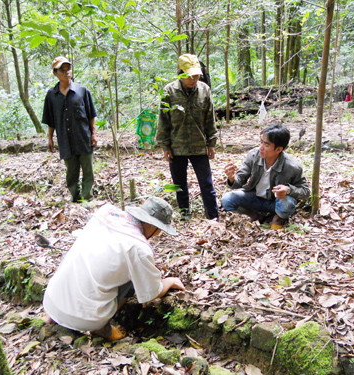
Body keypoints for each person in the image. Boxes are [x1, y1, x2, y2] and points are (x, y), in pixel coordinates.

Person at [42, 196, 185, 341]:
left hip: (51, 301)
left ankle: (52, 316)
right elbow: (153, 292)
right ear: (155, 226)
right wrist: (170, 281)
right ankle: (101, 328)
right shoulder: (138, 248)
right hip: (87, 319)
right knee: (133, 278)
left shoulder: (105, 214)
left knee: (77, 257)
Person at [156, 54, 219, 220]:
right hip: (177, 147)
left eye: (197, 75)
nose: (193, 79)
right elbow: (164, 121)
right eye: (190, 76)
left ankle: (213, 216)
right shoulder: (169, 91)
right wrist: (165, 147)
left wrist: (211, 143)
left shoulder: (204, 90)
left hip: (199, 146)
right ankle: (185, 214)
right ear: (181, 74)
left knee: (206, 184)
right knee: (179, 184)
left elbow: (209, 119)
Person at [222, 123, 310, 229]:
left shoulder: (292, 166)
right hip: (255, 198)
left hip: (276, 202)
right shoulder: (253, 156)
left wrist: (288, 189)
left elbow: (305, 191)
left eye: (266, 145)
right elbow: (240, 179)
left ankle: (278, 217)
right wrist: (232, 178)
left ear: (278, 149)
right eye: (261, 142)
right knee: (227, 199)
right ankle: (255, 216)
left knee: (287, 204)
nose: (261, 147)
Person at [42, 56, 98, 202]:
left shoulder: (82, 91)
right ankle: (75, 197)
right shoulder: (51, 95)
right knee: (71, 172)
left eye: (68, 68)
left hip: (83, 138)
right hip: (65, 140)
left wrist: (93, 134)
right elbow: (50, 120)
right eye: (62, 69)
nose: (67, 72)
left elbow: (91, 115)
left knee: (88, 170)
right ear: (55, 73)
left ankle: (87, 198)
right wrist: (50, 138)